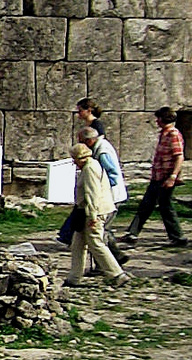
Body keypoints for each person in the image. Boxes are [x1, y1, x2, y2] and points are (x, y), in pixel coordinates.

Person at [66, 143, 130, 287]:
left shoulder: (90, 169)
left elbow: (92, 193)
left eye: (74, 160)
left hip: (95, 211)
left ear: (80, 158)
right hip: (86, 211)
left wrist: (93, 216)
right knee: (77, 244)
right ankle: (74, 277)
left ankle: (117, 274)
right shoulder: (90, 166)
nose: (74, 163)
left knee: (96, 243)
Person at [124, 106, 187, 247]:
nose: (156, 121)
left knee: (165, 206)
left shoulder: (173, 134)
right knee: (147, 204)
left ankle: (178, 236)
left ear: (164, 119)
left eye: (158, 118)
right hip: (157, 176)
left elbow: (179, 156)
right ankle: (132, 233)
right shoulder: (163, 134)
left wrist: (173, 176)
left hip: (166, 177)